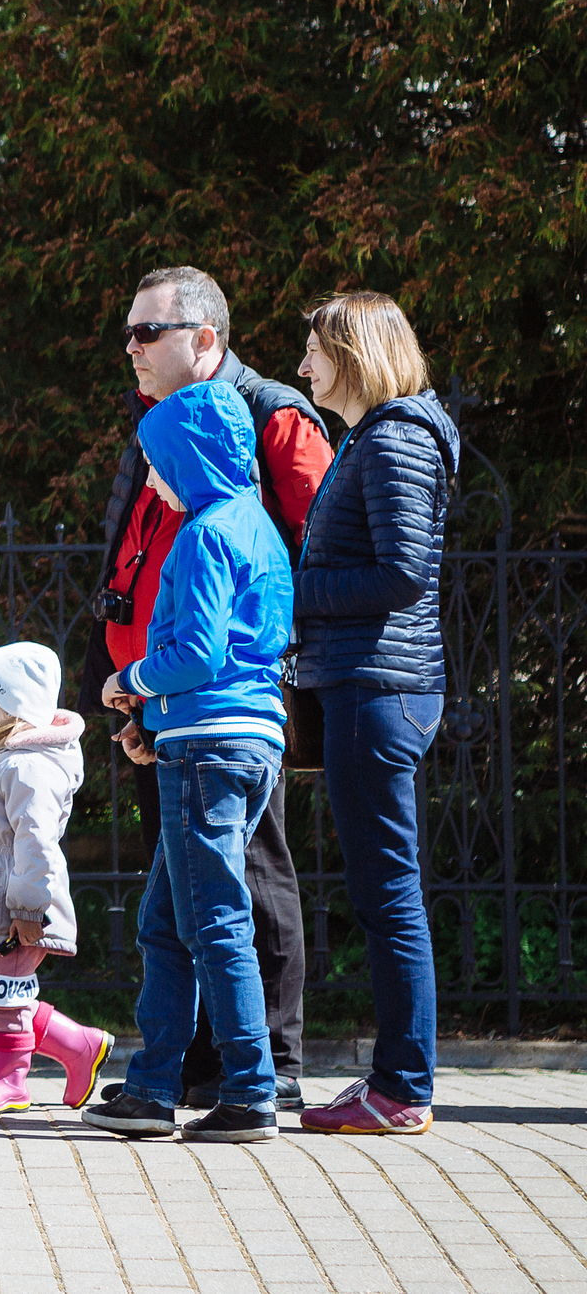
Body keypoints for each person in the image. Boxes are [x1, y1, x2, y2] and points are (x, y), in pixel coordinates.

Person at [88, 267, 328, 1111]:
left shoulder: (250, 443)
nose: (132, 349)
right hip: (195, 721)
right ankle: (165, 1078)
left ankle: (259, 1079)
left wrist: (141, 682)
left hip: (213, 725)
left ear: (205, 339)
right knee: (172, 917)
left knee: (224, 911)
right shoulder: (199, 458)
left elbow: (213, 633)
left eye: (146, 332)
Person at [292, 294, 460, 1136]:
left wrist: (292, 593)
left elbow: (399, 577)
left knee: (388, 895)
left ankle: (400, 1089)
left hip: (377, 691)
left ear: (355, 354)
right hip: (370, 687)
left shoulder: (394, 438)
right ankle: (399, 1084)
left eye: (316, 350)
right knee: (383, 891)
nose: (303, 366)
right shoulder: (378, 437)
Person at [0, 641, 112, 1114]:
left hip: (16, 907)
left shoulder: (28, 767)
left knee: (6, 995)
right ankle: (78, 1045)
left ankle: (9, 1081)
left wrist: (29, 910)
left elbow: (36, 845)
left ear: (13, 702)